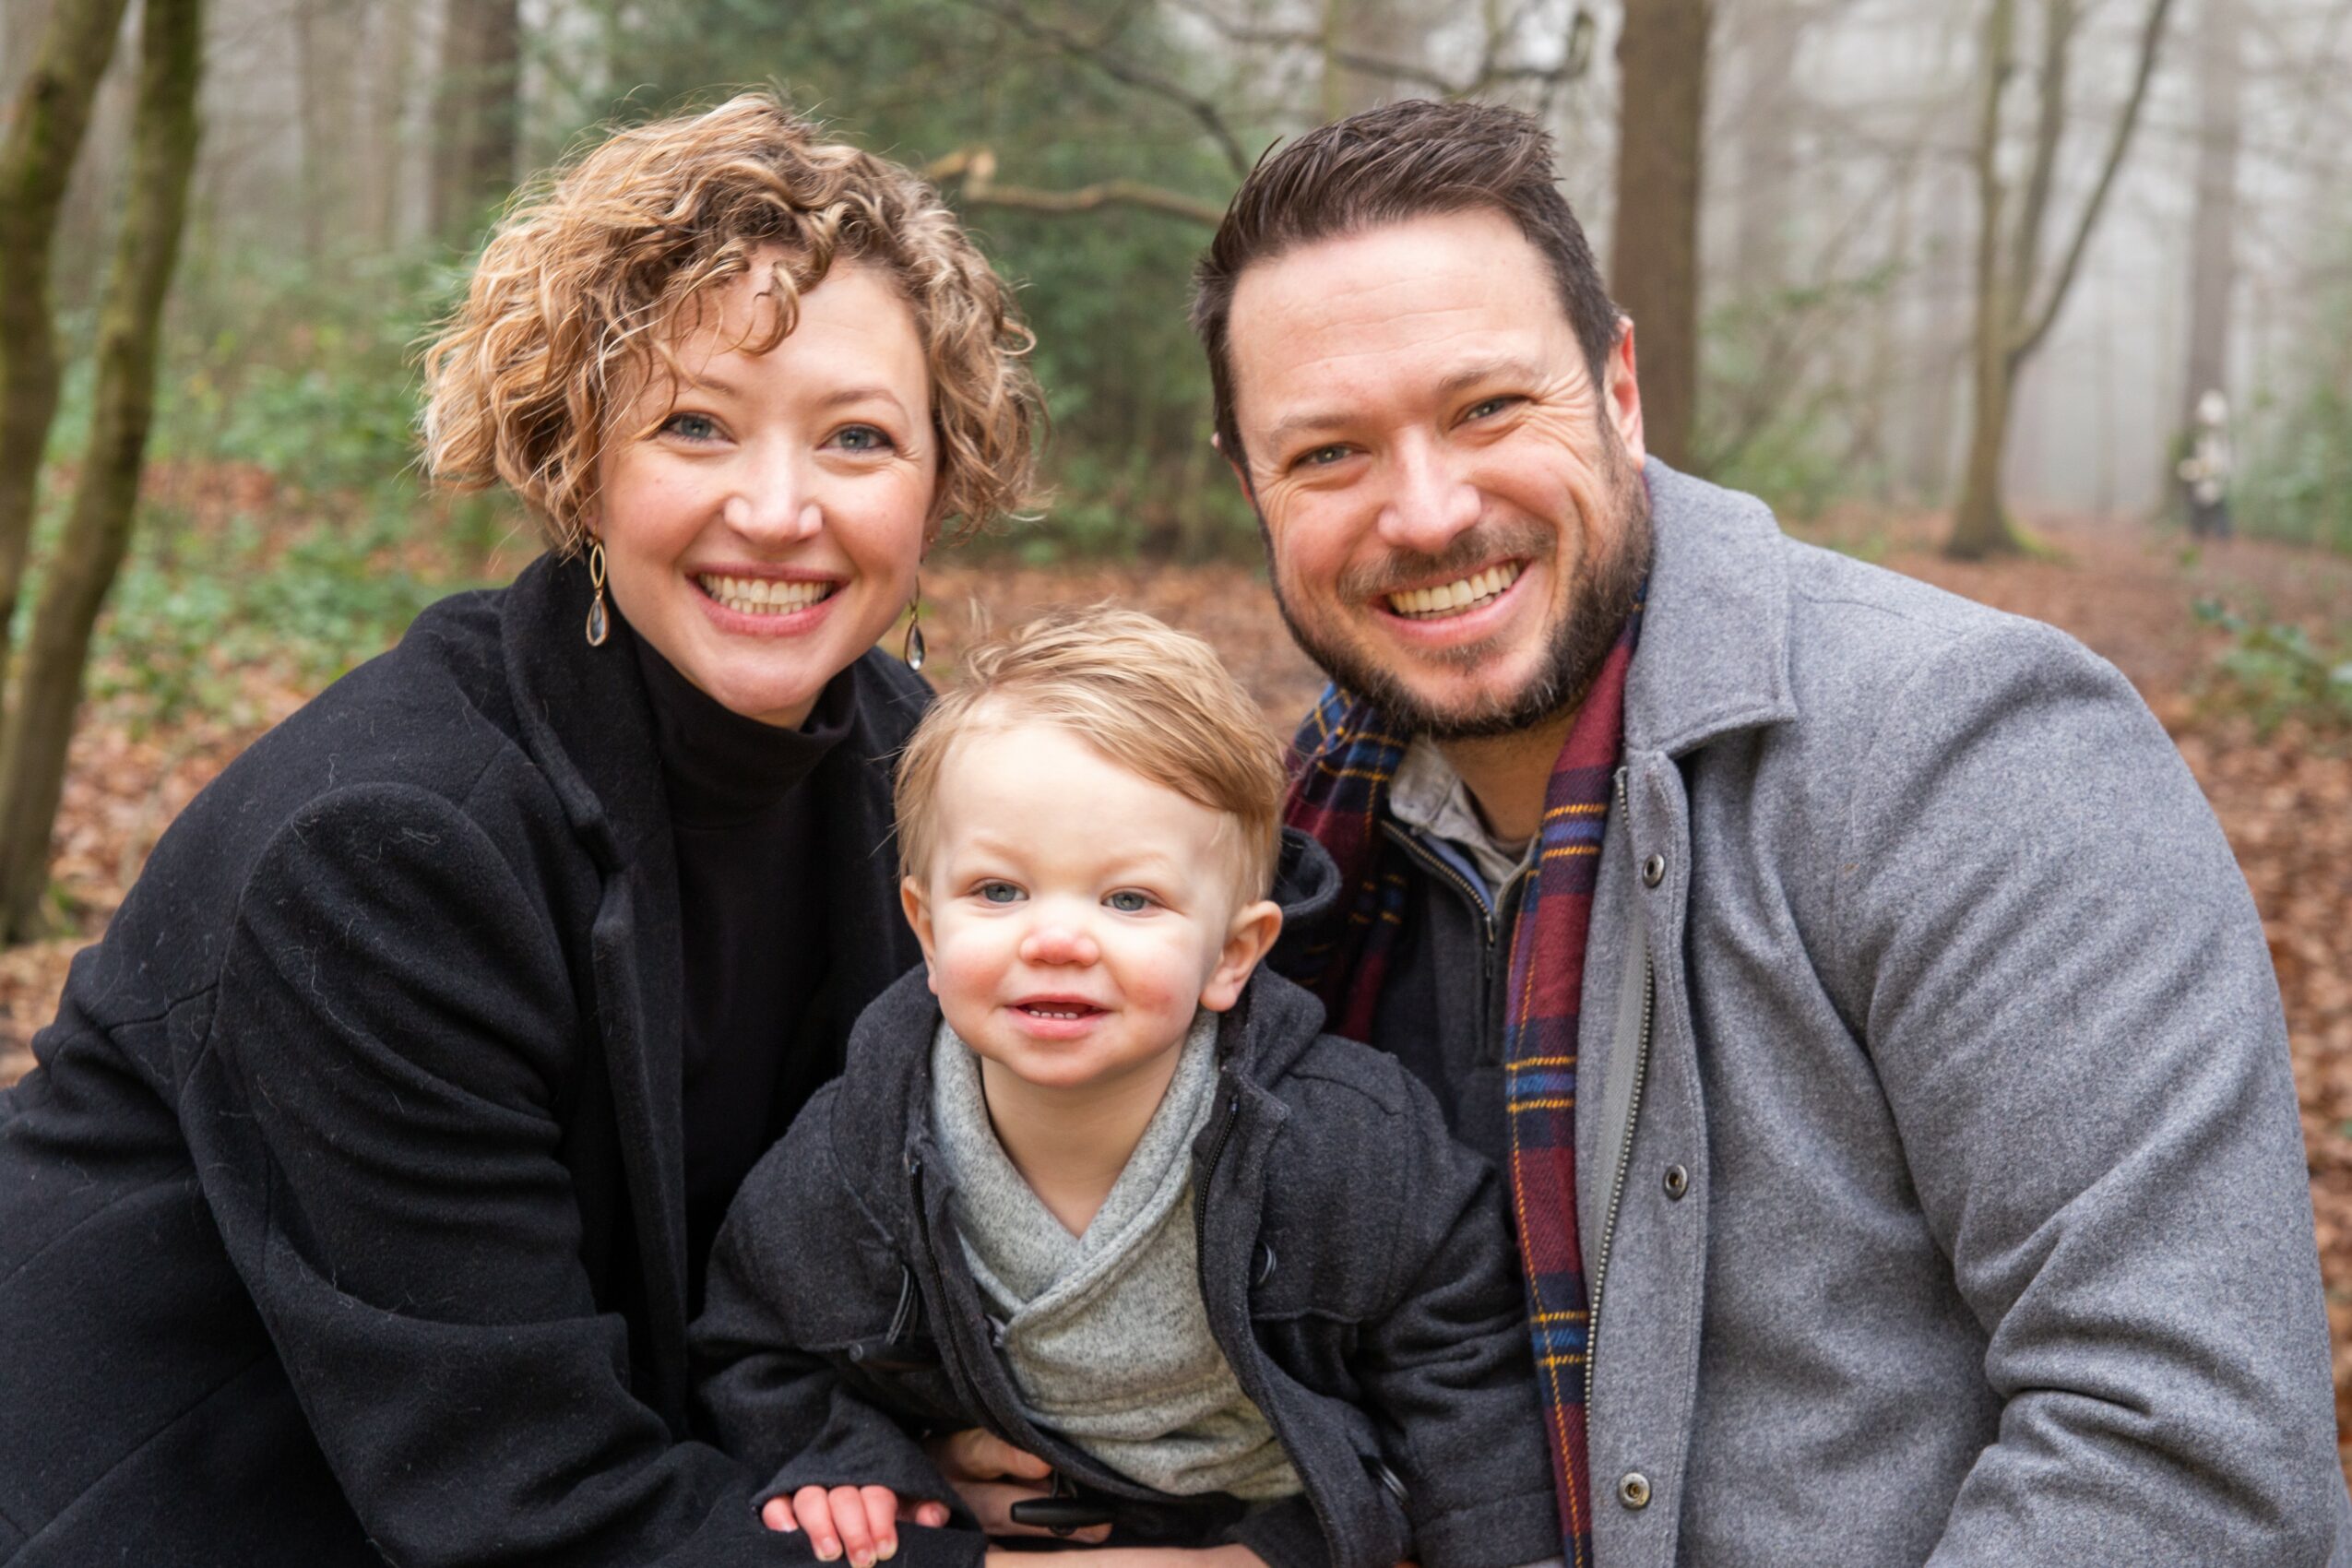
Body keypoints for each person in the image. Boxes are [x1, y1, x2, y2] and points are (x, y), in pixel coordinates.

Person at [1187, 99, 2352, 1566]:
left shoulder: (1969, 758)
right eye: (1328, 455)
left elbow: (2192, 1463)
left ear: (1617, 387)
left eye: (1486, 409)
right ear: (1250, 486)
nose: (1425, 512)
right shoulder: (1299, 851)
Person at [0, 93, 1039, 1566]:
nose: (778, 507)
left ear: (941, 481)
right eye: (694, 424)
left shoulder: (921, 776)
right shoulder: (385, 849)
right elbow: (524, 1507)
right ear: (576, 460)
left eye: (859, 437)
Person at [692, 608, 1558, 1568]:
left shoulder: (1347, 1144)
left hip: (1287, 1529)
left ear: (1232, 954)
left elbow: (1465, 1366)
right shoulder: (861, 1150)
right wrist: (848, 1455)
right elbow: (754, 1341)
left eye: (1129, 898)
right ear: (927, 929)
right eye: (998, 890)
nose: (1056, 937)